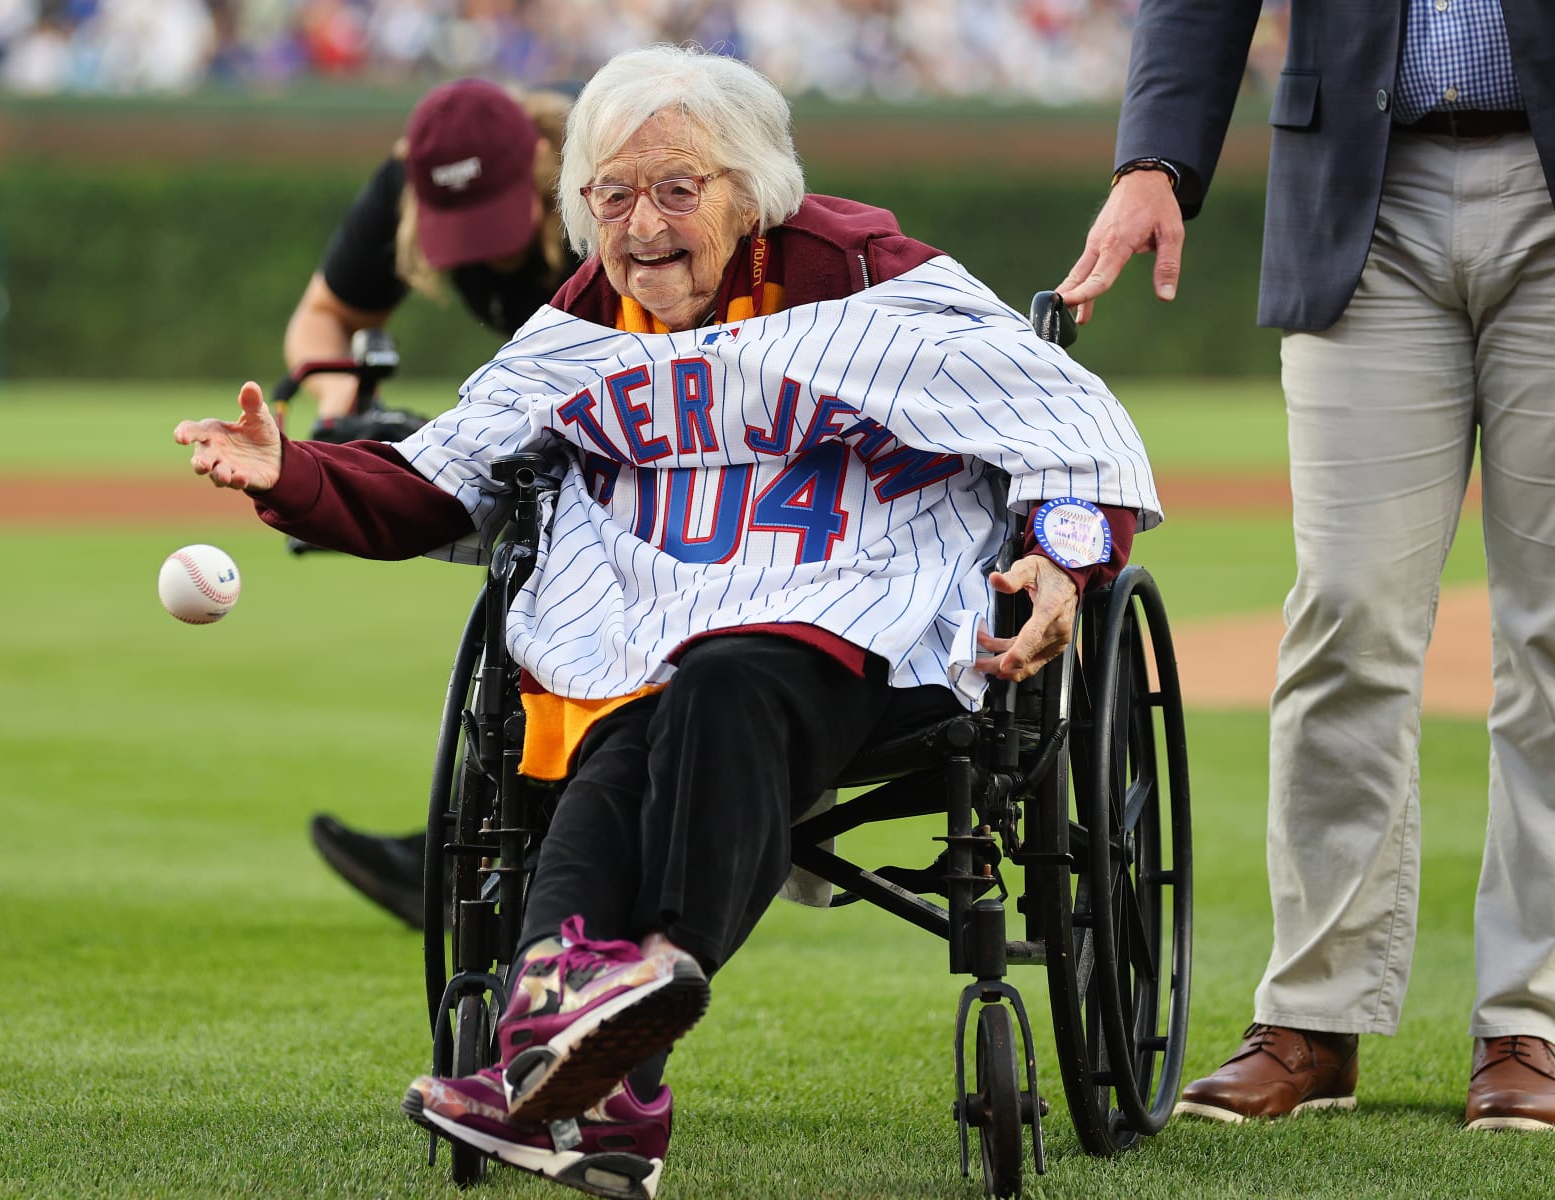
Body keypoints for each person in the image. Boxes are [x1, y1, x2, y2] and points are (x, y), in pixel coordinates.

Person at [179, 45, 1162, 1198]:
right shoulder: (581, 322)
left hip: (858, 617)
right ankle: (581, 1063)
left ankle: (652, 985)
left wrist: (1064, 561)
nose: (641, 225)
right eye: (611, 196)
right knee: (611, 736)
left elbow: (1064, 425)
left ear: (752, 191)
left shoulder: (867, 273)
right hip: (666, 629)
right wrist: (289, 471)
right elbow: (441, 482)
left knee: (722, 679)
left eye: (676, 189)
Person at [1057, 0, 1555, 1132]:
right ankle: (1315, 1017)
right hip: (1359, 191)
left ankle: (1532, 1021)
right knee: (1344, 610)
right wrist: (1153, 160)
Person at [286, 76, 582, 928]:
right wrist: (343, 416)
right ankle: (471, 846)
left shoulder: (600, 192)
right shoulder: (406, 181)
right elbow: (326, 315)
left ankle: (482, 847)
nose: (481, 250)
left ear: (536, 164)